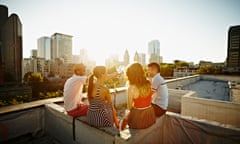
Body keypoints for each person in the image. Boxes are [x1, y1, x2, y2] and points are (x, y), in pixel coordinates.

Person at [121, 63, 156, 130]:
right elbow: (150, 97)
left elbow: (129, 107)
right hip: (150, 114)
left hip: (139, 117)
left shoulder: (131, 88)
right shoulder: (148, 82)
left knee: (124, 121)